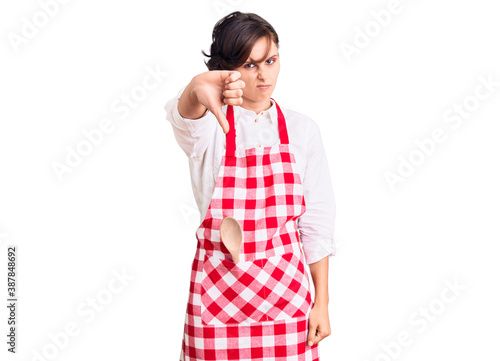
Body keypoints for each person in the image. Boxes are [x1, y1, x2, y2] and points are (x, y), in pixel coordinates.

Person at [164, 11, 336, 361]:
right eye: (248, 64)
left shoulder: (303, 131)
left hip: (286, 297)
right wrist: (199, 85)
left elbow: (317, 225)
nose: (263, 75)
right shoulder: (208, 127)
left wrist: (322, 303)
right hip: (218, 297)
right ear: (226, 70)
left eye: (270, 60)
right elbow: (183, 115)